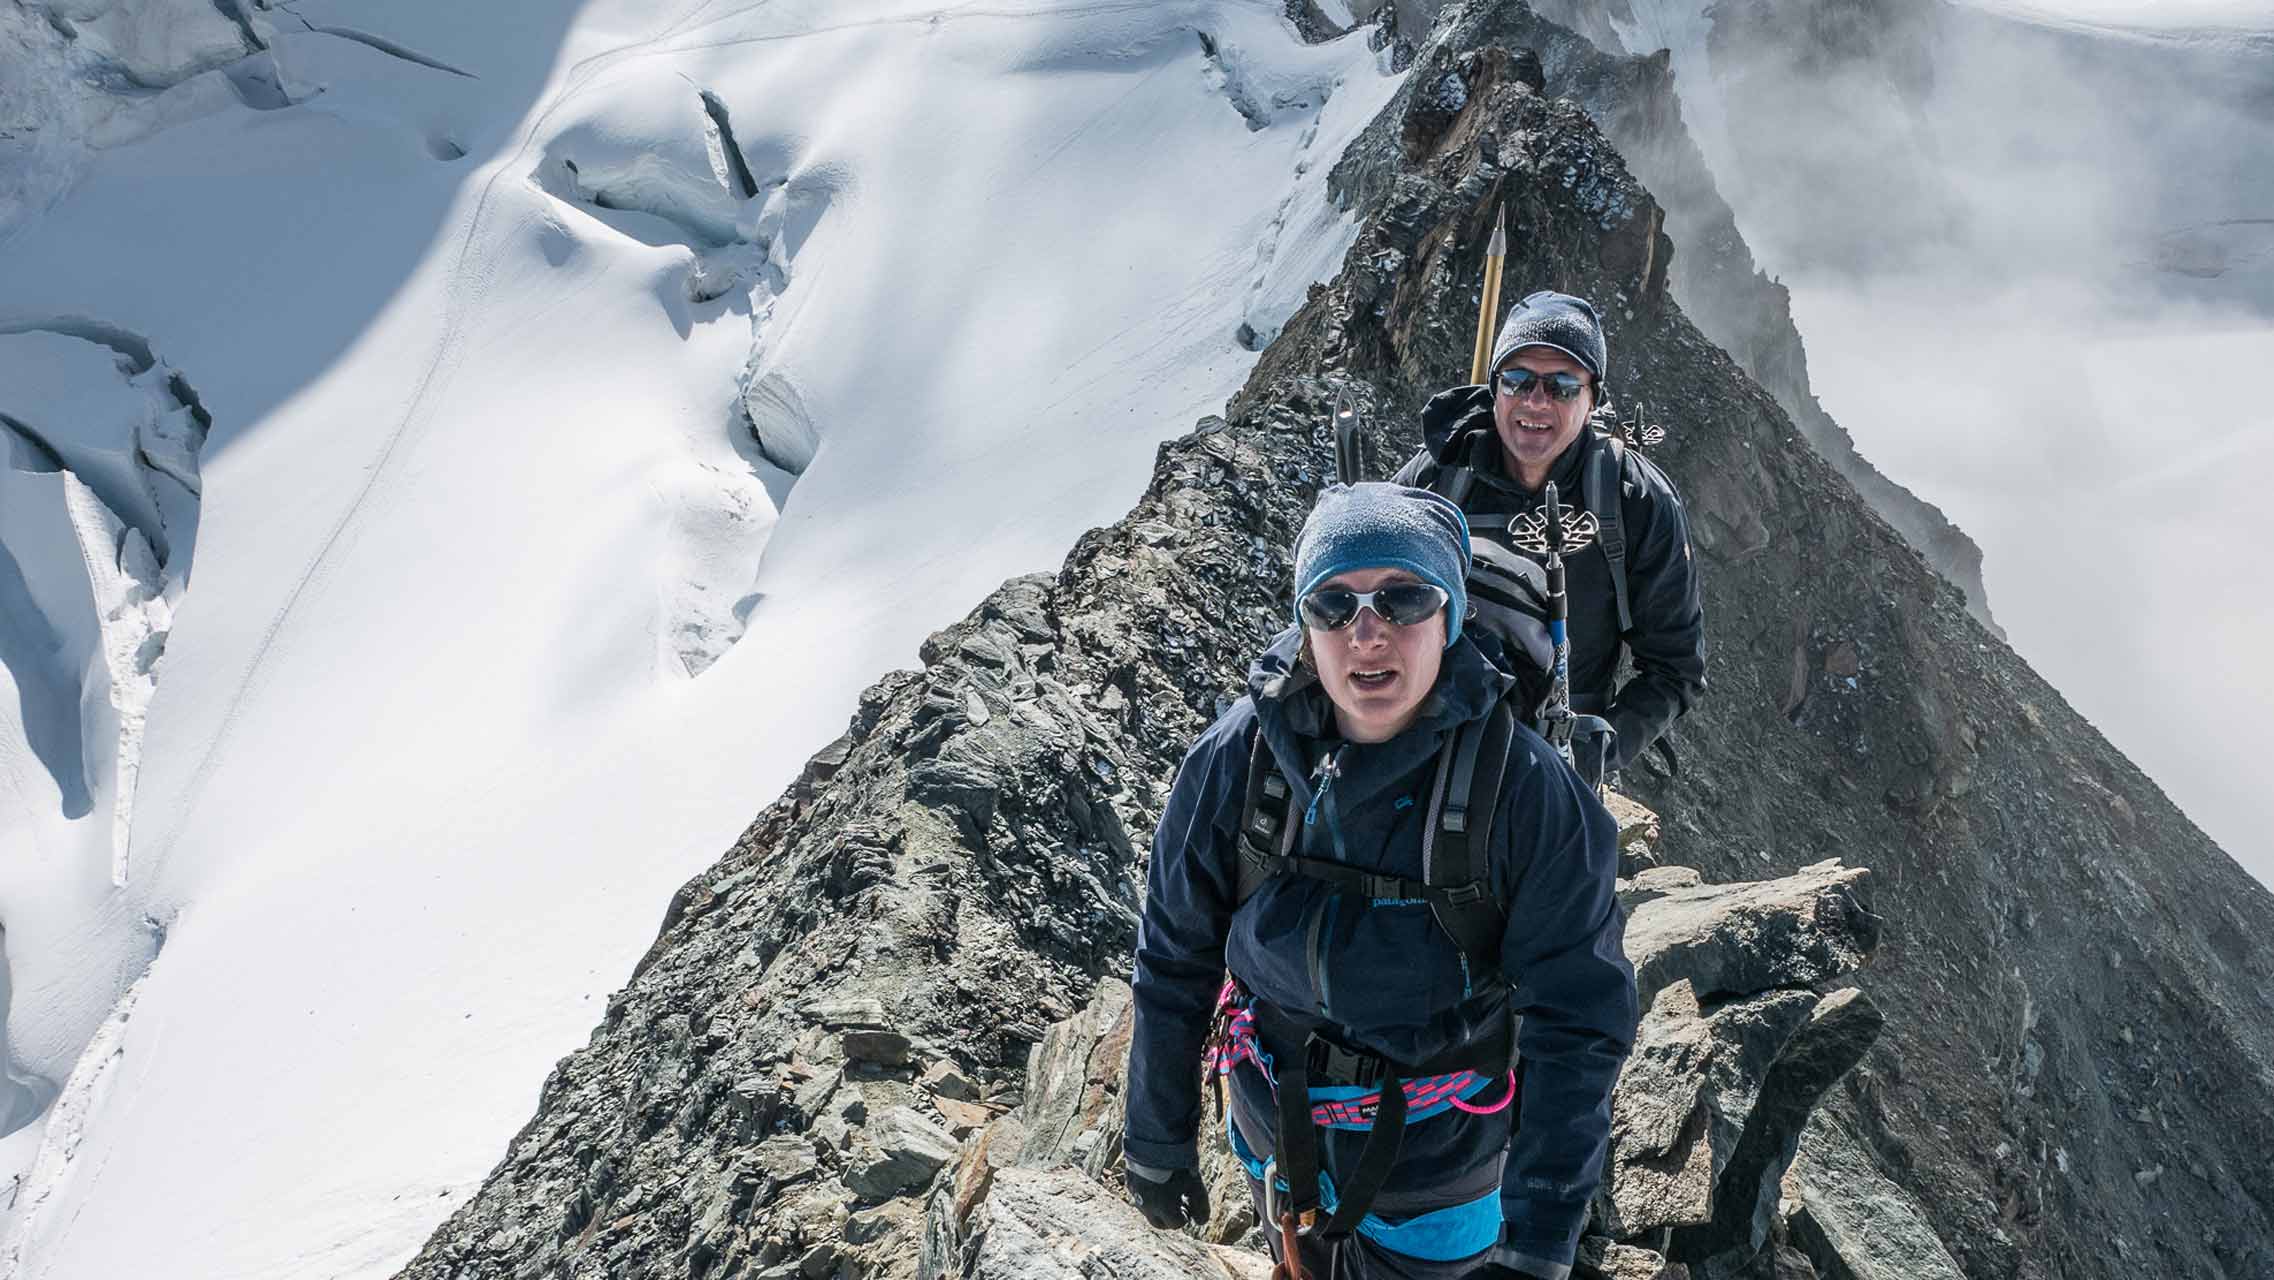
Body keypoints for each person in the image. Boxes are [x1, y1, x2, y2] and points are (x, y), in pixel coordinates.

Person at [1123, 483, 1638, 1280]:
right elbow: (1174, 953)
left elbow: (1576, 1019)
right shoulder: (1237, 758)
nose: (1366, 632)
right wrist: (1157, 1138)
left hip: (1440, 1176)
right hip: (1277, 1142)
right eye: (1332, 604)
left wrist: (1536, 1235)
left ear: (1451, 615)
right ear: (1304, 623)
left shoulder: (1526, 791)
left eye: (1403, 598)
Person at [1392, 290, 1705, 780]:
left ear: (1592, 398)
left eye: (1562, 386)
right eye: (1517, 381)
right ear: (1495, 388)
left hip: (1555, 761)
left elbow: (1674, 669)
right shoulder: (1439, 477)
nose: (1535, 401)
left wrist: (1594, 754)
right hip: (1428, 743)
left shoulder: (1634, 500)